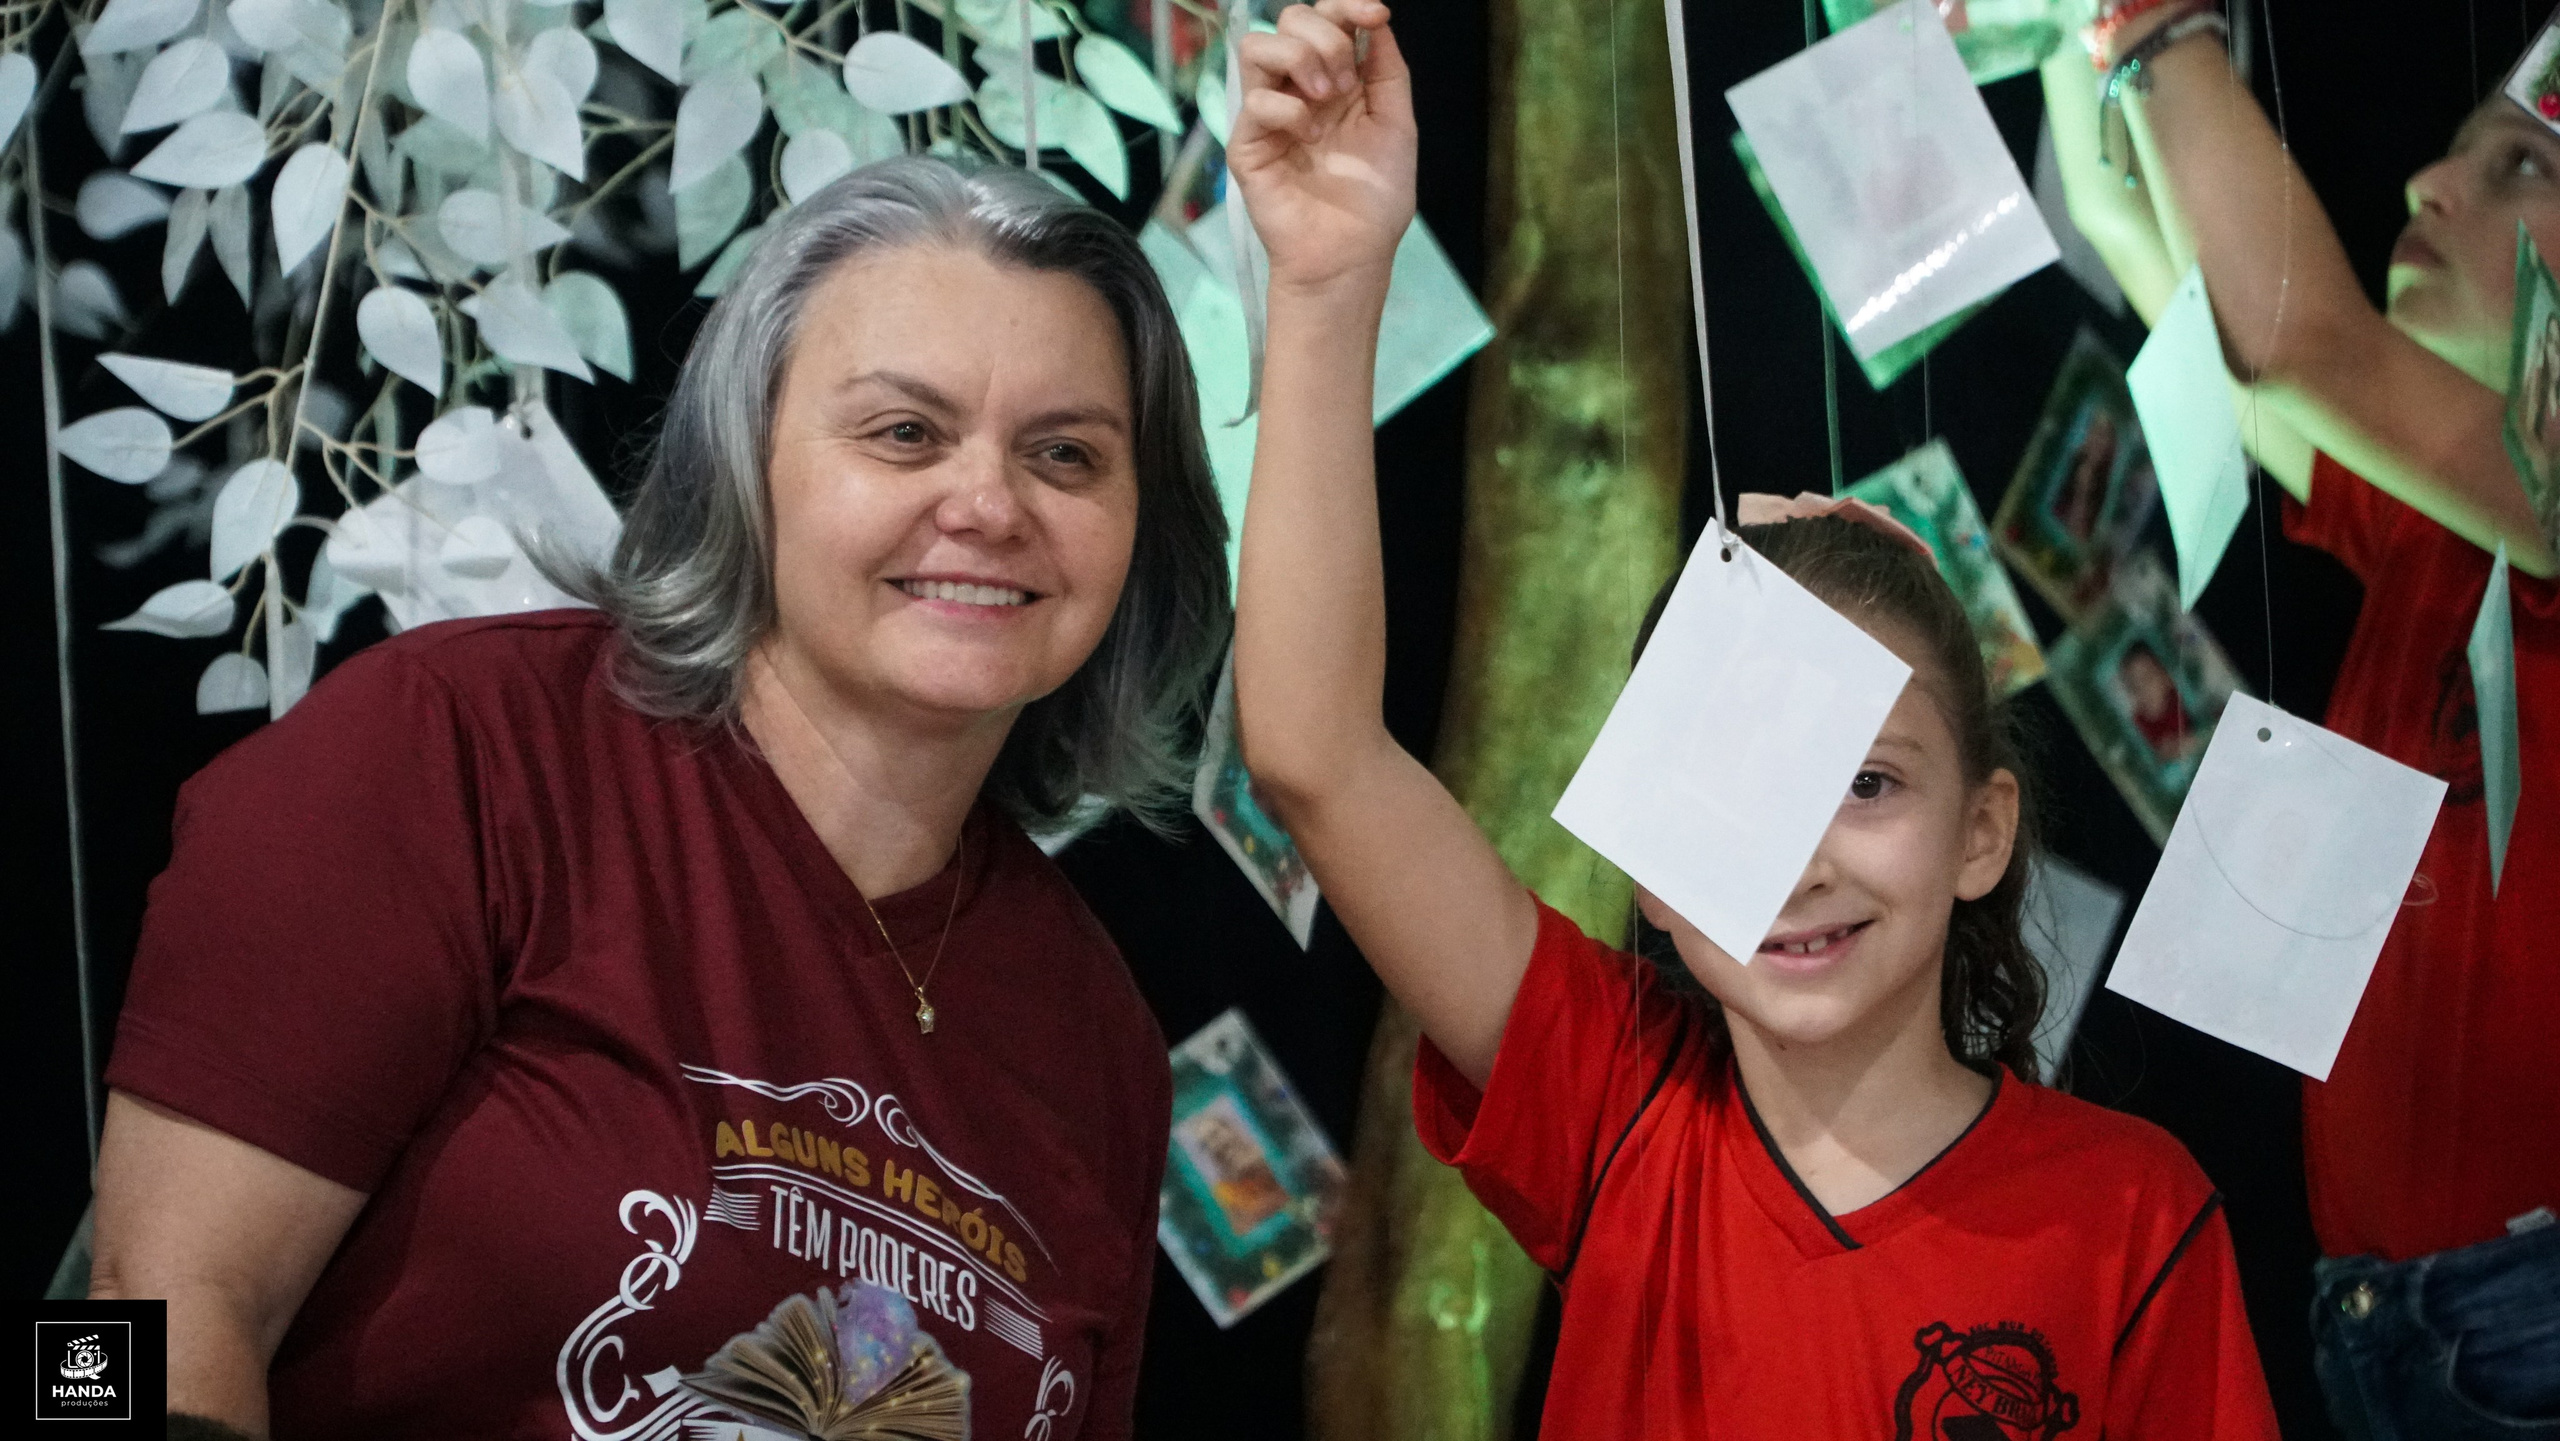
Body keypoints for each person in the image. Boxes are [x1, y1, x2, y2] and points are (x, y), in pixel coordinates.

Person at [1224, 3, 2282, 1433]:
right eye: (1745, 781)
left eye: (1871, 784)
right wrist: (1327, 280)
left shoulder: (2134, 1214)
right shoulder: (1609, 1099)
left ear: (1984, 830)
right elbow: (1314, 754)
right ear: (1652, 859)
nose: (1803, 857)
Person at [86, 157, 1230, 1439]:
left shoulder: (1099, 1042)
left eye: (1065, 455)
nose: (988, 504)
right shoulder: (455, 750)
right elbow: (122, 1319)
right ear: (744, 458)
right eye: (904, 432)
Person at [2049, 4, 2560, 1434]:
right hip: (2380, 1321)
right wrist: (2060, 36)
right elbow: (2170, 272)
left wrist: (2145, 20)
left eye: (2521, 169)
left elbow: (2291, 338)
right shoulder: (2432, 537)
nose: (2427, 185)